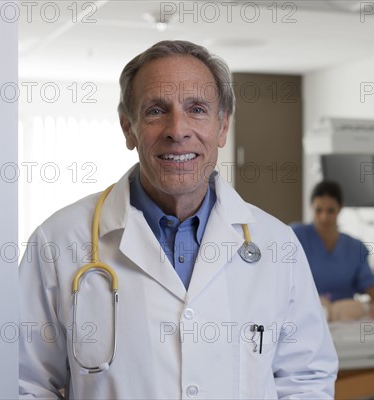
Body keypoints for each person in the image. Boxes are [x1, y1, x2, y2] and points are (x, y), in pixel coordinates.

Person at [18, 40, 337, 399]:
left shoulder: (276, 245)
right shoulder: (58, 242)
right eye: (156, 110)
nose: (177, 130)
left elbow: (306, 380)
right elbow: (25, 383)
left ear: (222, 126)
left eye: (197, 109)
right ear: (128, 127)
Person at [291, 181, 374, 320]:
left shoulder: (355, 248)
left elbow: (370, 286)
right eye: (318, 210)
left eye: (330, 210)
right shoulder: (296, 237)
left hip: (344, 320)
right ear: (311, 208)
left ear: (340, 208)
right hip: (305, 318)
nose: (324, 217)